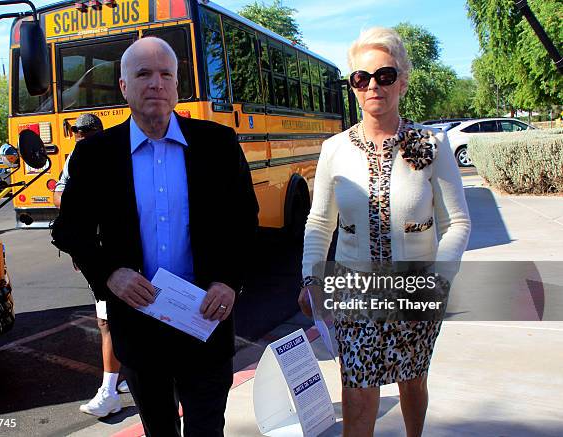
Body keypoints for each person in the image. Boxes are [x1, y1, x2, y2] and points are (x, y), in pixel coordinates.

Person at [52, 37, 258, 437]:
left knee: (205, 430)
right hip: (138, 326)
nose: (156, 84)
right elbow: (68, 229)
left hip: (204, 319)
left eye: (166, 74)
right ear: (125, 87)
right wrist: (110, 273)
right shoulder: (96, 154)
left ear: (178, 87)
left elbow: (244, 220)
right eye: (143, 74)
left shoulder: (217, 143)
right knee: (159, 430)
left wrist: (229, 281)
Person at [298, 27, 471, 437]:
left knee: (413, 381)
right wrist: (311, 278)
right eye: (361, 78)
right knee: (358, 395)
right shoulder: (335, 149)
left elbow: (457, 222)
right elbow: (320, 223)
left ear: (403, 81)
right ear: (353, 88)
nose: (373, 85)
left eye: (384, 76)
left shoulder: (431, 144)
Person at [53, 113, 131, 417]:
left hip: (119, 252)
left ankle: (110, 391)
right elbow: (61, 194)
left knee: (111, 320)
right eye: (77, 134)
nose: (81, 139)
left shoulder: (114, 155)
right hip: (96, 253)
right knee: (109, 319)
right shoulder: (75, 158)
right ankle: (122, 380)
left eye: (86, 133)